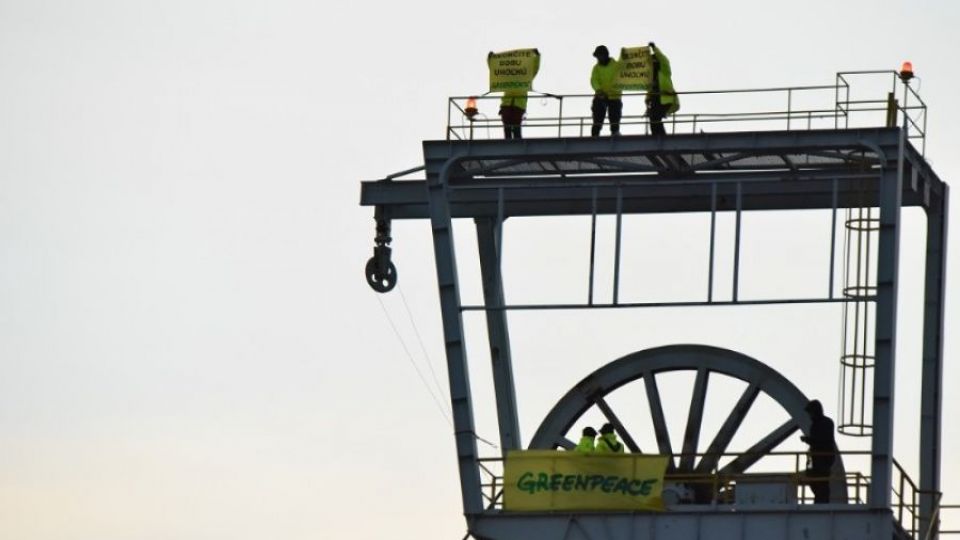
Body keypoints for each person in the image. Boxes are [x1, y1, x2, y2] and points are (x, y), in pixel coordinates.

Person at [497, 49, 540, 140]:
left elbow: (535, 69)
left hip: (516, 105)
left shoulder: (525, 77)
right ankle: (512, 145)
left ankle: (515, 145)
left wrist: (537, 56)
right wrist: (489, 59)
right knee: (508, 129)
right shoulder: (508, 77)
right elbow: (496, 71)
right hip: (509, 105)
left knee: (516, 129)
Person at [800, 399, 837, 504]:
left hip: (822, 458)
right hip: (821, 458)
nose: (809, 415)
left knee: (820, 481)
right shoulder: (825, 423)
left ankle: (821, 502)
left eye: (810, 412)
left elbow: (822, 441)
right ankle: (821, 501)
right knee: (818, 481)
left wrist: (808, 440)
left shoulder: (821, 424)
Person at [645, 42, 680, 136]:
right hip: (655, 99)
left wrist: (654, 49)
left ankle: (662, 137)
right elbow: (649, 89)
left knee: (655, 117)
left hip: (665, 99)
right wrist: (647, 100)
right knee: (653, 119)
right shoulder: (650, 76)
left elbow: (663, 59)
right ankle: (657, 137)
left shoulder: (664, 70)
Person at [590, 45, 622, 137]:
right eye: (597, 56)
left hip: (614, 96)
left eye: (599, 56)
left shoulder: (616, 66)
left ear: (605, 55)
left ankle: (615, 132)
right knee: (597, 115)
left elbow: (622, 78)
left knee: (615, 115)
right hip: (601, 95)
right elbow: (594, 80)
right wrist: (599, 90)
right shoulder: (596, 68)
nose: (598, 58)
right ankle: (595, 135)